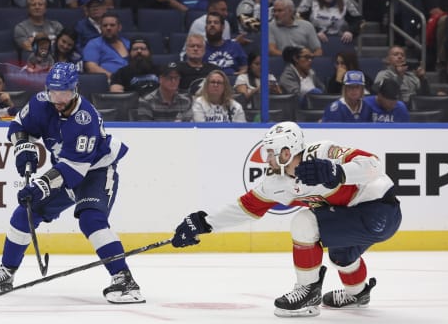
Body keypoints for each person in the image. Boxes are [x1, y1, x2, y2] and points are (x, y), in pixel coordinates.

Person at [170, 121, 402, 317]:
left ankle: (307, 292)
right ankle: (358, 293)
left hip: (380, 211)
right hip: (357, 219)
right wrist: (203, 224)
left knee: (304, 222)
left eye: (271, 152)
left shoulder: (323, 152)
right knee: (340, 256)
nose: (267, 158)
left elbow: (373, 164)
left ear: (286, 151)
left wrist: (337, 172)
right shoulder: (277, 184)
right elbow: (245, 208)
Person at [0, 62, 145, 304]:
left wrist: (40, 186)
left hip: (96, 171)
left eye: (64, 93)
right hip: (67, 168)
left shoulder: (85, 119)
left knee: (91, 219)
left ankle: (124, 279)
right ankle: (6, 273)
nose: (58, 99)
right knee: (26, 212)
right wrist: (24, 147)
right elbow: (19, 126)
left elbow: (74, 170)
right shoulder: (41, 103)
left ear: (75, 89)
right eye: (54, 92)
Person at [297, 0, 363, 45]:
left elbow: (358, 21)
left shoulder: (345, 1)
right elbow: (299, 18)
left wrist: (350, 32)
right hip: (313, 41)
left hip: (339, 41)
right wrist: (315, 32)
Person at [82, 12, 129, 79]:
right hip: (107, 81)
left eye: (112, 25)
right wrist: (115, 79)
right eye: (105, 25)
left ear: (119, 27)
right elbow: (91, 68)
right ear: (100, 28)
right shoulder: (94, 44)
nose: (108, 28)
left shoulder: (127, 43)